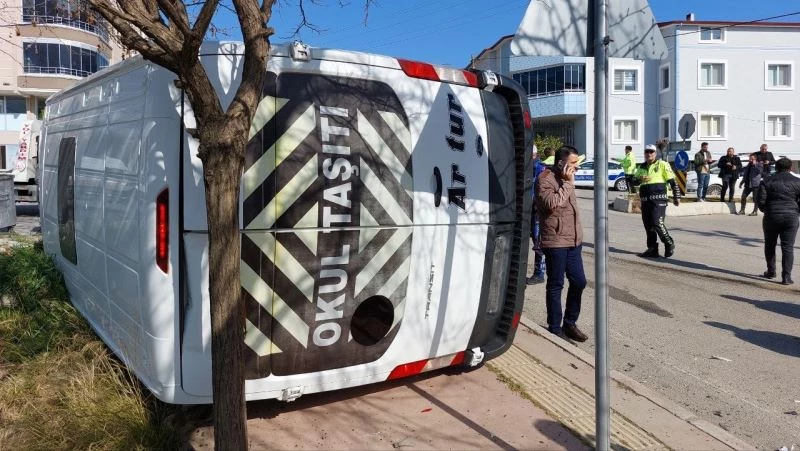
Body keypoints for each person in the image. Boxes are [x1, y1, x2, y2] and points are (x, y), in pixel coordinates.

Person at [535, 145, 587, 342]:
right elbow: (550, 204)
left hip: (574, 240)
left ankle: (570, 322)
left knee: (579, 281)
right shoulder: (545, 179)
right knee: (556, 284)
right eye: (573, 163)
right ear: (560, 162)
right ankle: (555, 328)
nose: (576, 167)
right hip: (555, 241)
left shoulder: (568, 180)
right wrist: (567, 184)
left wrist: (568, 182)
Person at [756, 158, 800, 285]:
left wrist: (767, 210)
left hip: (772, 216)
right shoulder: (798, 181)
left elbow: (760, 201)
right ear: (790, 167)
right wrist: (796, 211)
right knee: (788, 247)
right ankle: (786, 277)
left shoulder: (766, 181)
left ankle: (771, 271)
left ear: (776, 167)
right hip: (791, 217)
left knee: (770, 245)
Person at [635, 144, 680, 258]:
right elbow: (633, 181)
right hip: (645, 201)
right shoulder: (641, 167)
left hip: (659, 200)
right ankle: (652, 249)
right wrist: (639, 179)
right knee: (648, 225)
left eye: (651, 152)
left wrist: (676, 196)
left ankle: (669, 243)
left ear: (655, 153)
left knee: (657, 222)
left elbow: (673, 182)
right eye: (647, 152)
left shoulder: (662, 164)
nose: (649, 154)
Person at [527, 146, 551, 285]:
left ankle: (539, 273)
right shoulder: (529, 167)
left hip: (537, 212)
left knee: (538, 243)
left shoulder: (541, 169)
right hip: (529, 211)